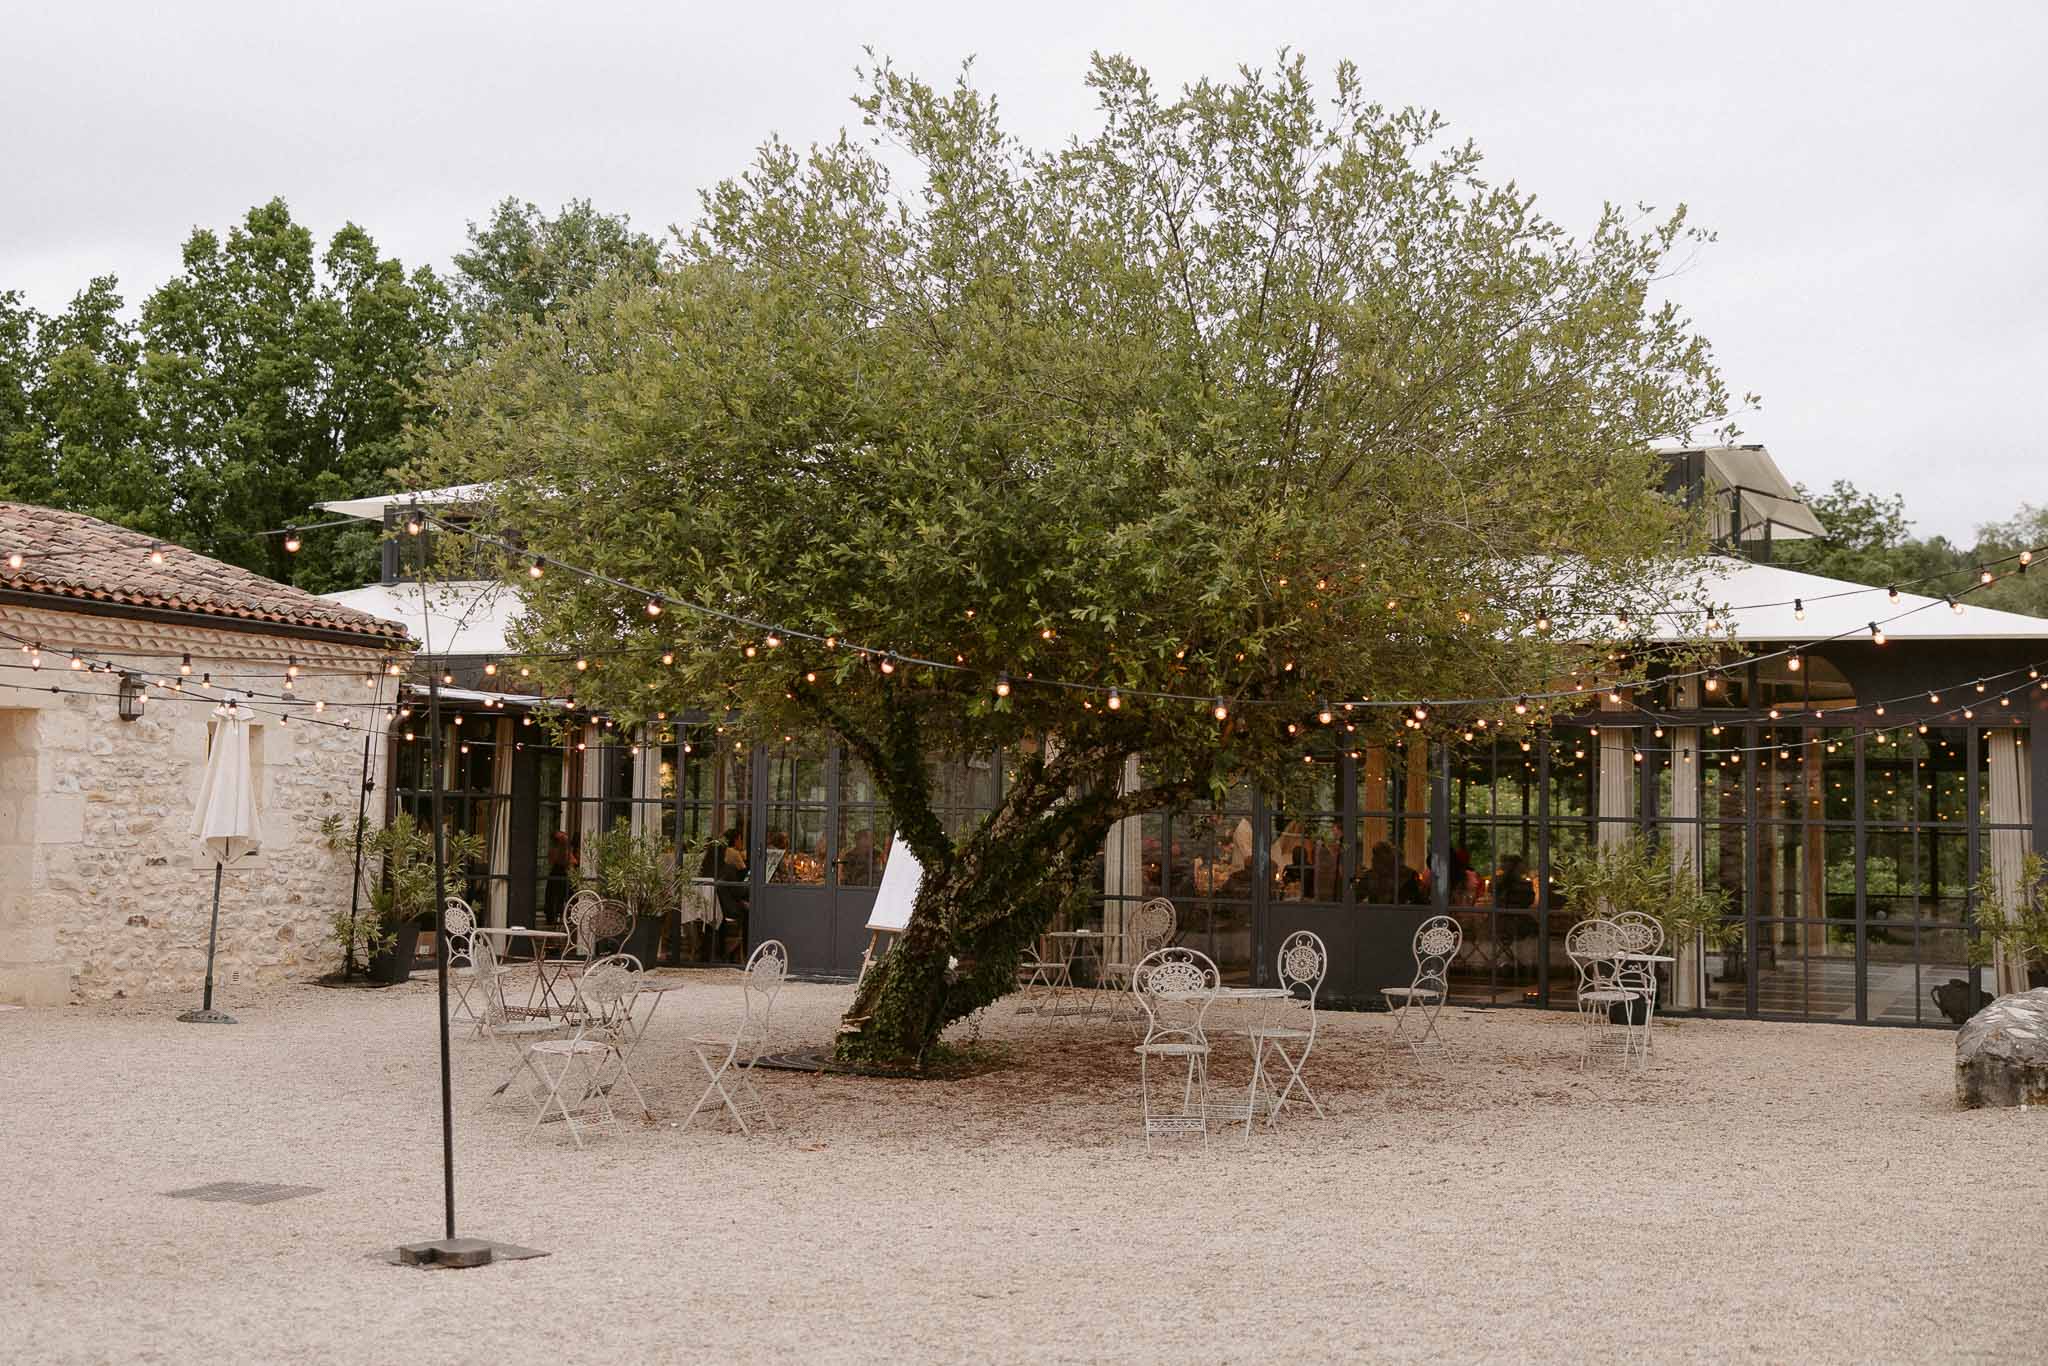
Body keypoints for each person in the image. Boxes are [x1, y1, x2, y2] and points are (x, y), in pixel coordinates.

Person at [543, 830, 575, 926]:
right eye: (563, 838)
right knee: (555, 896)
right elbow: (563, 861)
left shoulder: (564, 850)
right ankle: (554, 917)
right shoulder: (557, 850)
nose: (565, 840)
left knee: (559, 896)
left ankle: (560, 916)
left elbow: (573, 861)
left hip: (560, 874)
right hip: (558, 874)